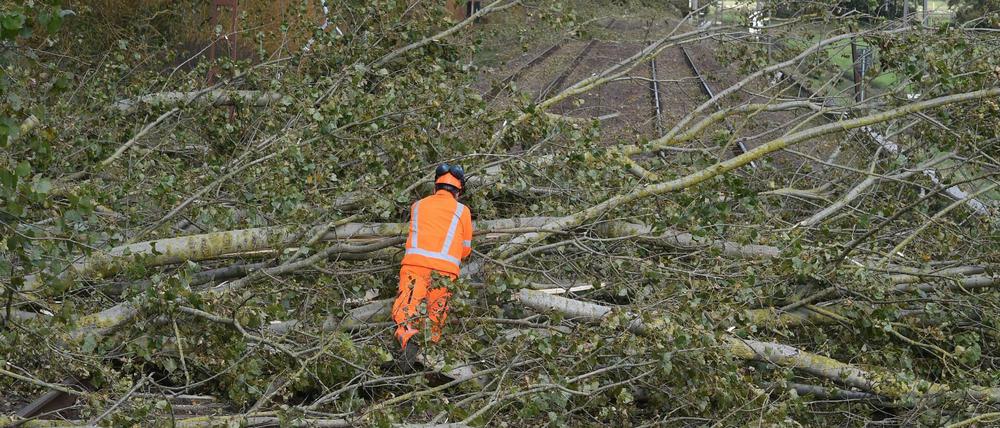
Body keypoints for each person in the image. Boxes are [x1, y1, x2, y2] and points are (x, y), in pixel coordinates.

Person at [391, 163, 473, 363]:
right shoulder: (463, 211)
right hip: (444, 273)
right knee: (435, 318)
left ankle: (407, 344)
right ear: (458, 191)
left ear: (435, 187)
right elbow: (465, 250)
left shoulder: (418, 205)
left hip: (415, 266)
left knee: (406, 309)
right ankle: (426, 353)